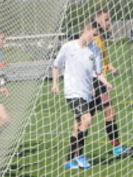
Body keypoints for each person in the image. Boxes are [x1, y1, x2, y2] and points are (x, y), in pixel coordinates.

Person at [51, 22, 112, 170]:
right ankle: (79, 155)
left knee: (78, 126)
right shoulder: (68, 47)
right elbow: (56, 65)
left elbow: (98, 73)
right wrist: (55, 83)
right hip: (73, 92)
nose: (94, 37)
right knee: (87, 119)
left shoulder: (95, 50)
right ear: (86, 30)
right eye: (94, 34)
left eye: (97, 35)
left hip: (87, 93)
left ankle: (69, 161)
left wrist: (106, 82)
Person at [89, 8, 131, 156]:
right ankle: (75, 154)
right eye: (106, 19)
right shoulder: (92, 39)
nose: (109, 22)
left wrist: (109, 66)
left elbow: (101, 60)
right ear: (98, 21)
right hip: (94, 82)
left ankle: (116, 147)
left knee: (107, 111)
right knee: (86, 119)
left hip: (99, 81)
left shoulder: (100, 39)